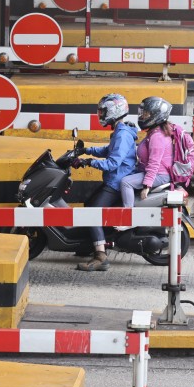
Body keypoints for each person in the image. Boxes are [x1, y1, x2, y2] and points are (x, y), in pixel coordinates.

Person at [73, 93, 138, 272]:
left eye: (103, 112)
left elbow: (112, 163)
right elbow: (108, 150)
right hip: (114, 179)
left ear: (114, 111)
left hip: (116, 182)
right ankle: (91, 242)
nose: (100, 115)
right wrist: (86, 150)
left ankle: (101, 256)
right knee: (89, 204)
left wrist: (88, 162)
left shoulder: (123, 134)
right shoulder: (120, 130)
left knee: (93, 212)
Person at [122, 96, 177, 203]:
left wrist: (147, 186)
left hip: (160, 175)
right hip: (154, 172)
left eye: (146, 113)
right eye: (142, 113)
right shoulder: (154, 132)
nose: (142, 116)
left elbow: (154, 163)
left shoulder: (157, 137)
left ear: (156, 115)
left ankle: (128, 216)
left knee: (125, 182)